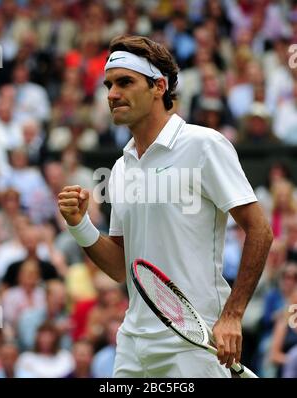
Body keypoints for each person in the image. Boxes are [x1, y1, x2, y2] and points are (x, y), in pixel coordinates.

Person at [58, 35, 273, 378]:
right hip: (131, 344)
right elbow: (119, 267)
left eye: (125, 82)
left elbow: (260, 230)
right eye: (109, 84)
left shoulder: (204, 145)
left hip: (194, 342)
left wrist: (232, 315)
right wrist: (79, 225)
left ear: (159, 87)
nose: (112, 94)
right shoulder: (121, 167)